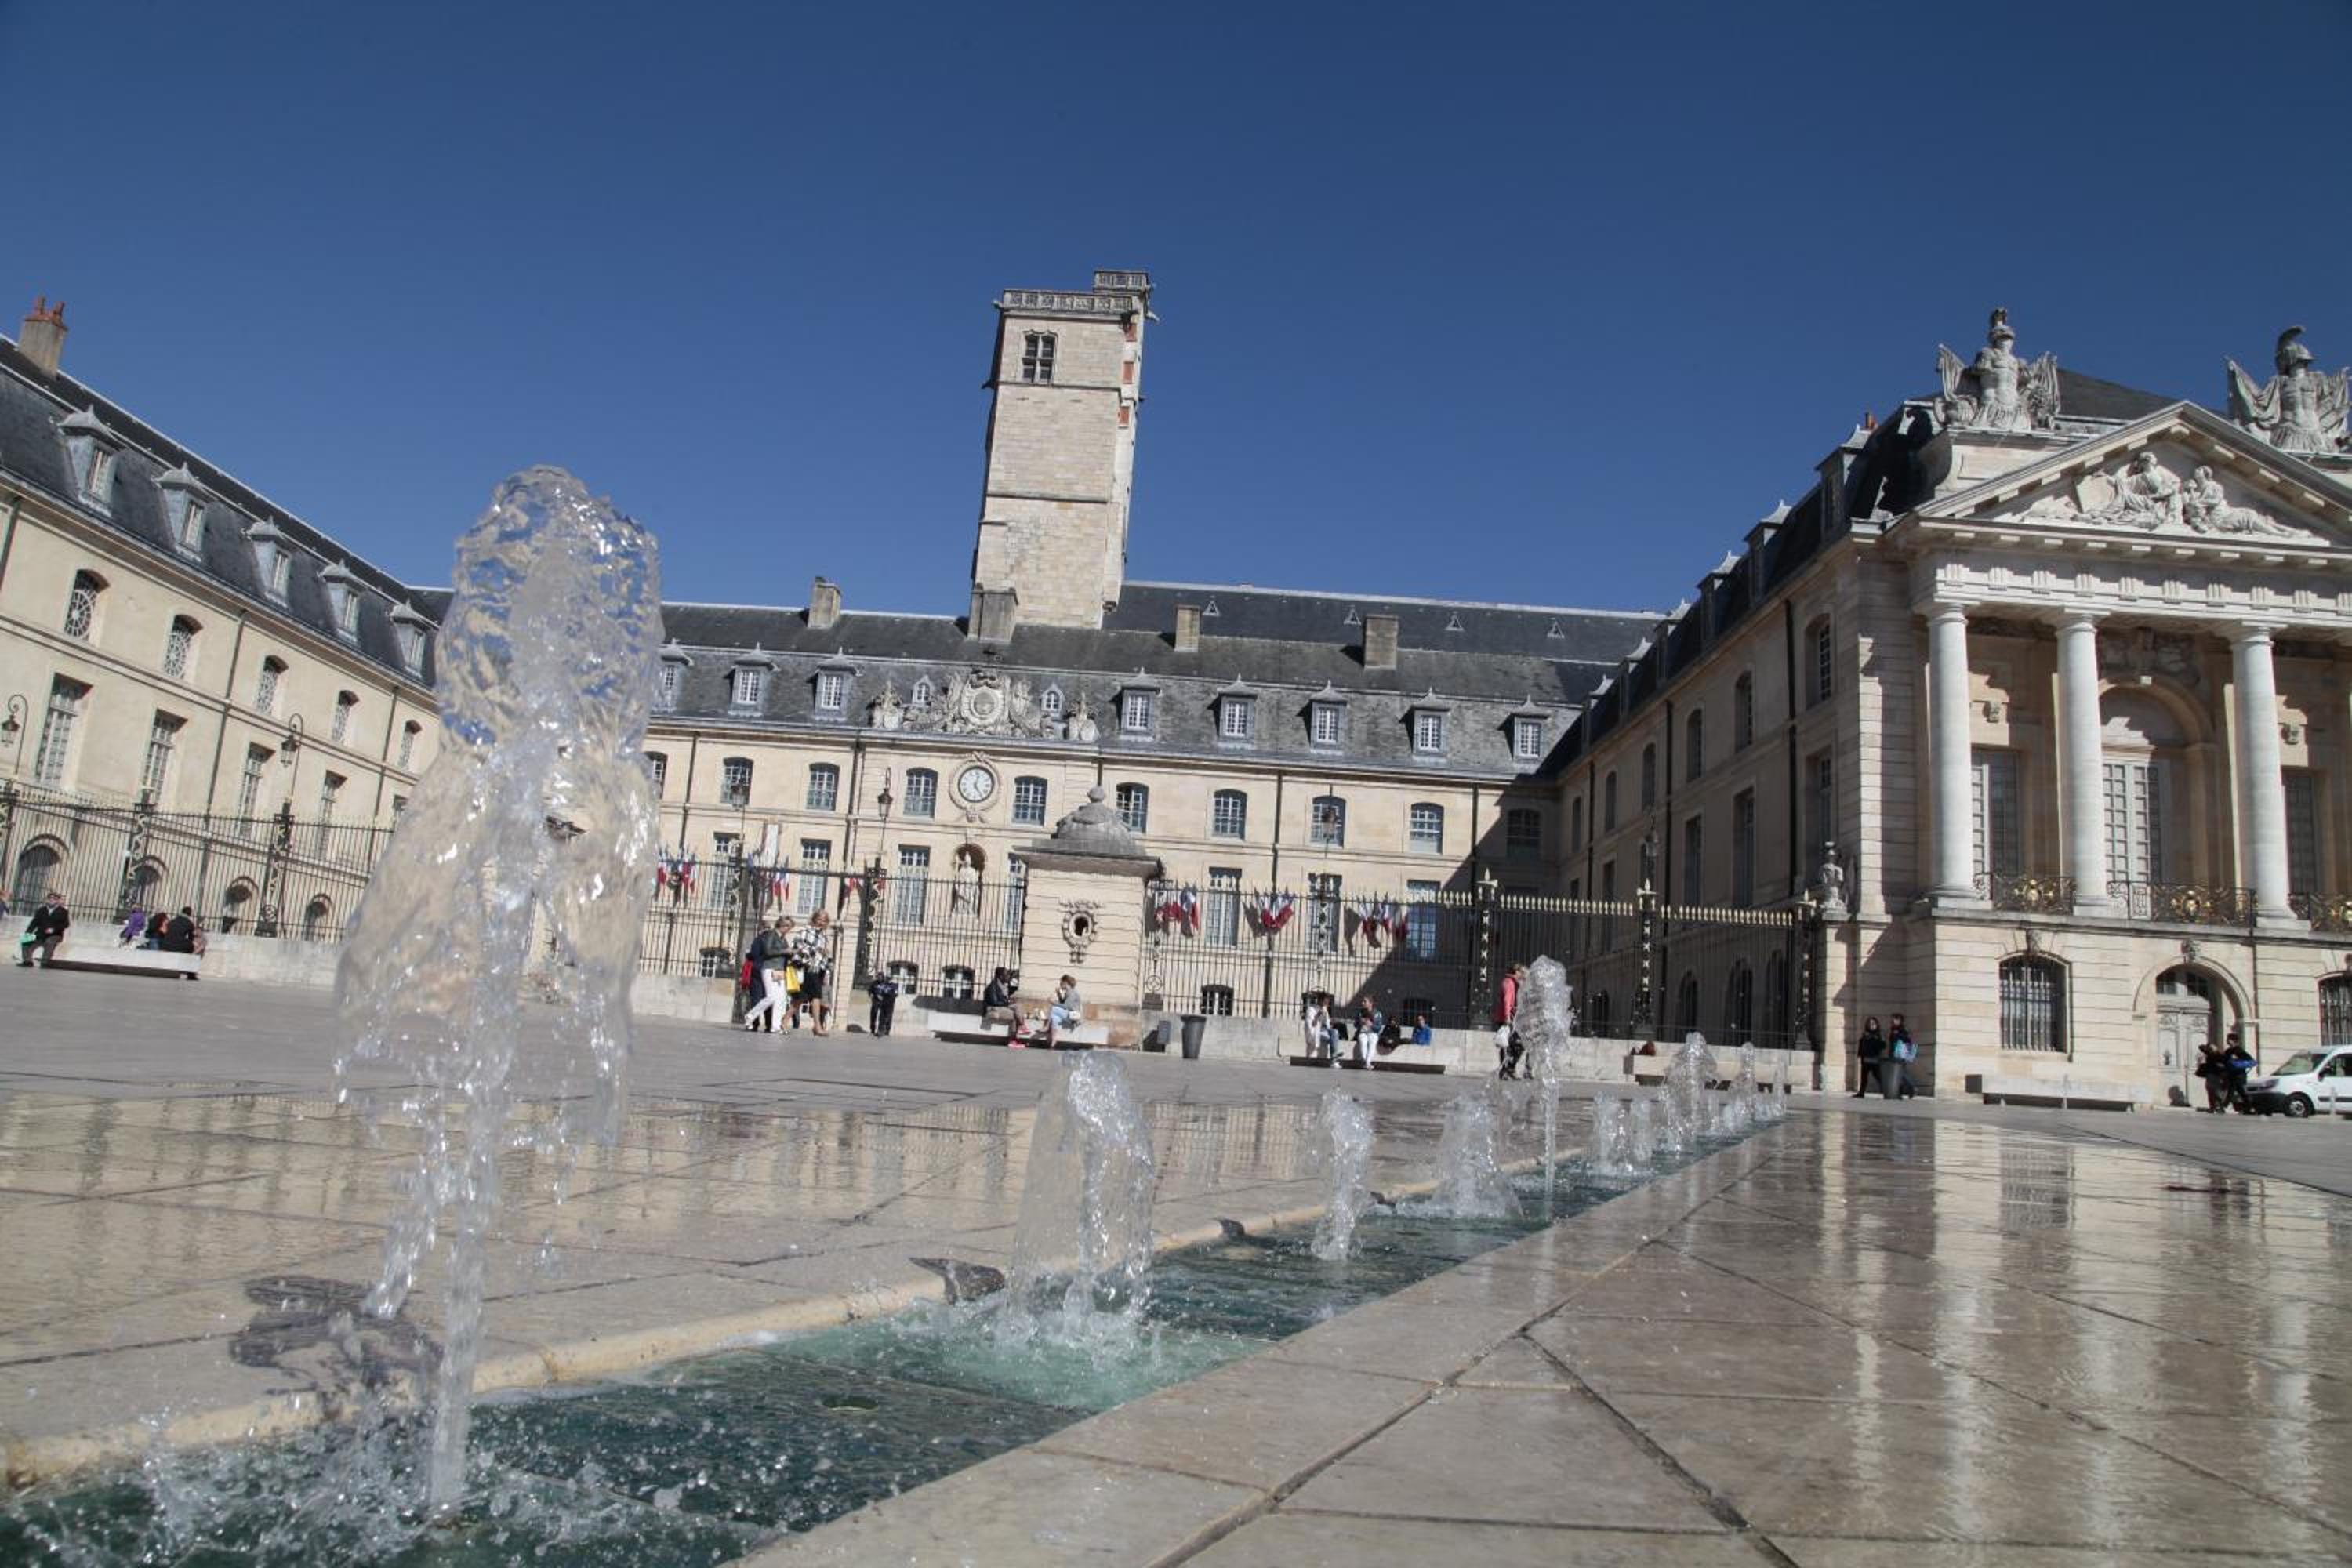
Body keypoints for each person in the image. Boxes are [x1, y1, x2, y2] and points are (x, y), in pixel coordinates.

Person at [741, 916, 793, 1033]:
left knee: (781, 999)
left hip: (779, 970)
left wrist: (792, 953)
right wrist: (785, 951)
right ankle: (750, 1016)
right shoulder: (771, 934)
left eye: (790, 927)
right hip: (769, 968)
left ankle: (775, 1026)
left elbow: (782, 953)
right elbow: (768, 951)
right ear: (781, 925)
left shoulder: (783, 938)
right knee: (771, 997)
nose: (788, 929)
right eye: (787, 926)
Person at [791, 909, 834, 1036]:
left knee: (800, 999)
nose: (821, 922)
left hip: (819, 970)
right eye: (819, 919)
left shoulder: (824, 937)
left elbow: (826, 957)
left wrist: (827, 969)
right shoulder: (805, 931)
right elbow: (797, 946)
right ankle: (817, 1026)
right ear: (814, 919)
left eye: (824, 920)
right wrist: (817, 950)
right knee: (816, 997)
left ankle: (784, 1020)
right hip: (808, 968)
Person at [19, 892, 70, 968]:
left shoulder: (63, 911)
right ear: (47, 900)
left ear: (58, 901)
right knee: (25, 940)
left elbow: (66, 924)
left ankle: (45, 962)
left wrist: (53, 929)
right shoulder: (41, 910)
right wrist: (28, 933)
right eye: (50, 898)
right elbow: (34, 922)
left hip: (55, 935)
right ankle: (27, 961)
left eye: (54, 899)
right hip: (40, 934)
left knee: (49, 942)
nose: (52, 900)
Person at [1494, 964, 1525, 1080]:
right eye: (1520, 972)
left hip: (1510, 1018)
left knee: (1515, 1045)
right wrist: (1507, 1017)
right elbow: (1507, 1000)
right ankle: (1506, 1071)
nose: (1521, 974)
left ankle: (1508, 1070)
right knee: (1509, 1046)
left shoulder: (1512, 982)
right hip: (1506, 1019)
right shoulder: (1508, 983)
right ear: (1515, 971)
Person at [2222, 1028, 2257, 1114]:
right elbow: (2225, 1062)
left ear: (2233, 1041)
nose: (2227, 1041)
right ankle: (2250, 1108)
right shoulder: (2228, 1051)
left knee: (2234, 1092)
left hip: (2239, 1075)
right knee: (2241, 1093)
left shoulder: (2239, 1050)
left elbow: (2251, 1061)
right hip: (2231, 1075)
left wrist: (2238, 1061)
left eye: (2228, 1039)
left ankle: (2224, 1106)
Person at [1853, 1015, 1887, 1098]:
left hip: (1874, 1058)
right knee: (1864, 1077)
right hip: (1865, 1058)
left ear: (1876, 1024)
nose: (1872, 1025)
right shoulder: (1865, 1034)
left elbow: (1883, 1045)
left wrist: (1876, 1040)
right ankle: (1861, 1093)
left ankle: (1886, 1091)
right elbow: (1862, 1044)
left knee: (1878, 1076)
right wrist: (1860, 1055)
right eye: (1870, 1024)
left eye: (1873, 1023)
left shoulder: (1879, 1034)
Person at [1886, 1013, 1918, 1100]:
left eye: (1895, 1019)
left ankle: (1911, 1087)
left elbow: (1907, 1039)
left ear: (1900, 1020)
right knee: (1899, 1074)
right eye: (1892, 1019)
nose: (1892, 1021)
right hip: (1895, 1053)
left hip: (1900, 1054)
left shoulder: (1902, 1029)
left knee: (1900, 1073)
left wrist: (1897, 1035)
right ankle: (1899, 1093)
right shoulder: (1894, 1029)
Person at [1045, 974, 1082, 1047]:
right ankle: (1053, 1042)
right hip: (1068, 1015)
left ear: (1065, 983)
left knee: (1054, 1008)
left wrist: (1053, 1002)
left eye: (1061, 983)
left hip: (1073, 1018)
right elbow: (1063, 1003)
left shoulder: (1073, 993)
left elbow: (1066, 1006)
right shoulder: (1068, 992)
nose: (1060, 985)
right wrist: (1058, 993)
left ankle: (1046, 1026)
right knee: (1055, 1018)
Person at [2194, 1038, 2228, 1112]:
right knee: (2210, 1091)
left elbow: (2225, 1063)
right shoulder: (2210, 1054)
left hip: (2216, 1075)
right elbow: (2201, 1047)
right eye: (2210, 1047)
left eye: (2212, 1047)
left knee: (2216, 1092)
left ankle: (2219, 1107)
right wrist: (2209, 1047)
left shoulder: (2220, 1055)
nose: (2211, 1048)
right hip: (2210, 1075)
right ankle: (2213, 1107)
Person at [866, 967, 900, 1037]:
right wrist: (872, 995)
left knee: (885, 1017)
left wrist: (887, 996)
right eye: (878, 977)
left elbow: (894, 993)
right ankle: (873, 1029)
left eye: (881, 977)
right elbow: (870, 990)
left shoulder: (888, 984)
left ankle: (886, 1030)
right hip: (876, 1001)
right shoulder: (874, 983)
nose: (879, 978)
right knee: (874, 1015)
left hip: (885, 1003)